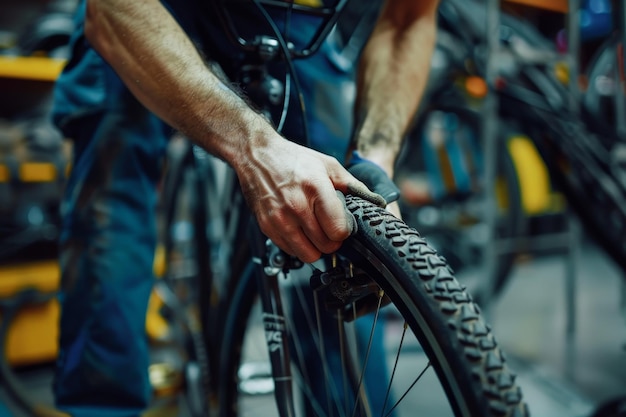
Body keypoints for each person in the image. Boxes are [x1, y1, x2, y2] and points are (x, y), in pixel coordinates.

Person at [51, 0, 440, 415]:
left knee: (338, 218)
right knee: (114, 188)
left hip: (290, 10)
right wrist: (254, 149)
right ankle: (103, 407)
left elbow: (407, 19)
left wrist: (373, 160)